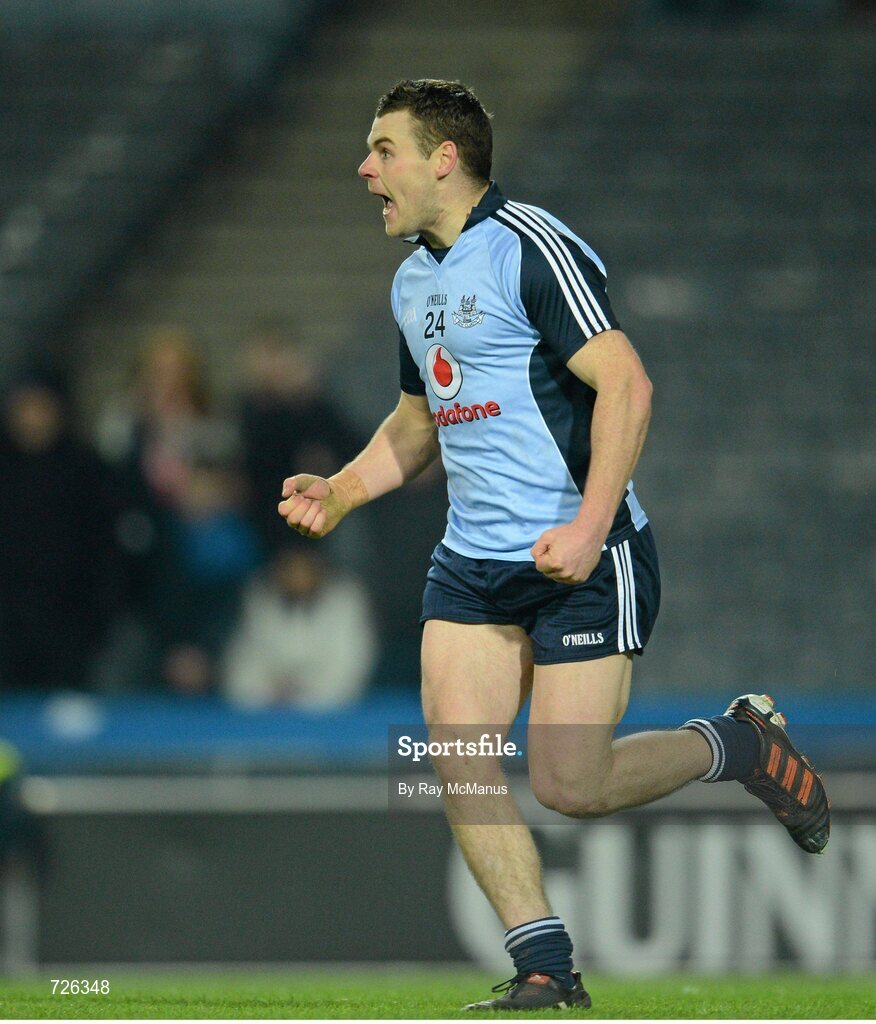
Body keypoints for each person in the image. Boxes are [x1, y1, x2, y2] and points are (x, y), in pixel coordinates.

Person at [277, 79, 830, 1011]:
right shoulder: (413, 281)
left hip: (586, 556)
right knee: (452, 757)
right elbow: (416, 427)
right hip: (472, 567)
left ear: (442, 158)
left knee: (570, 784)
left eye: (383, 149)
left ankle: (735, 743)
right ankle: (547, 969)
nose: (365, 169)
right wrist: (341, 491)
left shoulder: (531, 246)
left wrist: (585, 526)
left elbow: (628, 384)